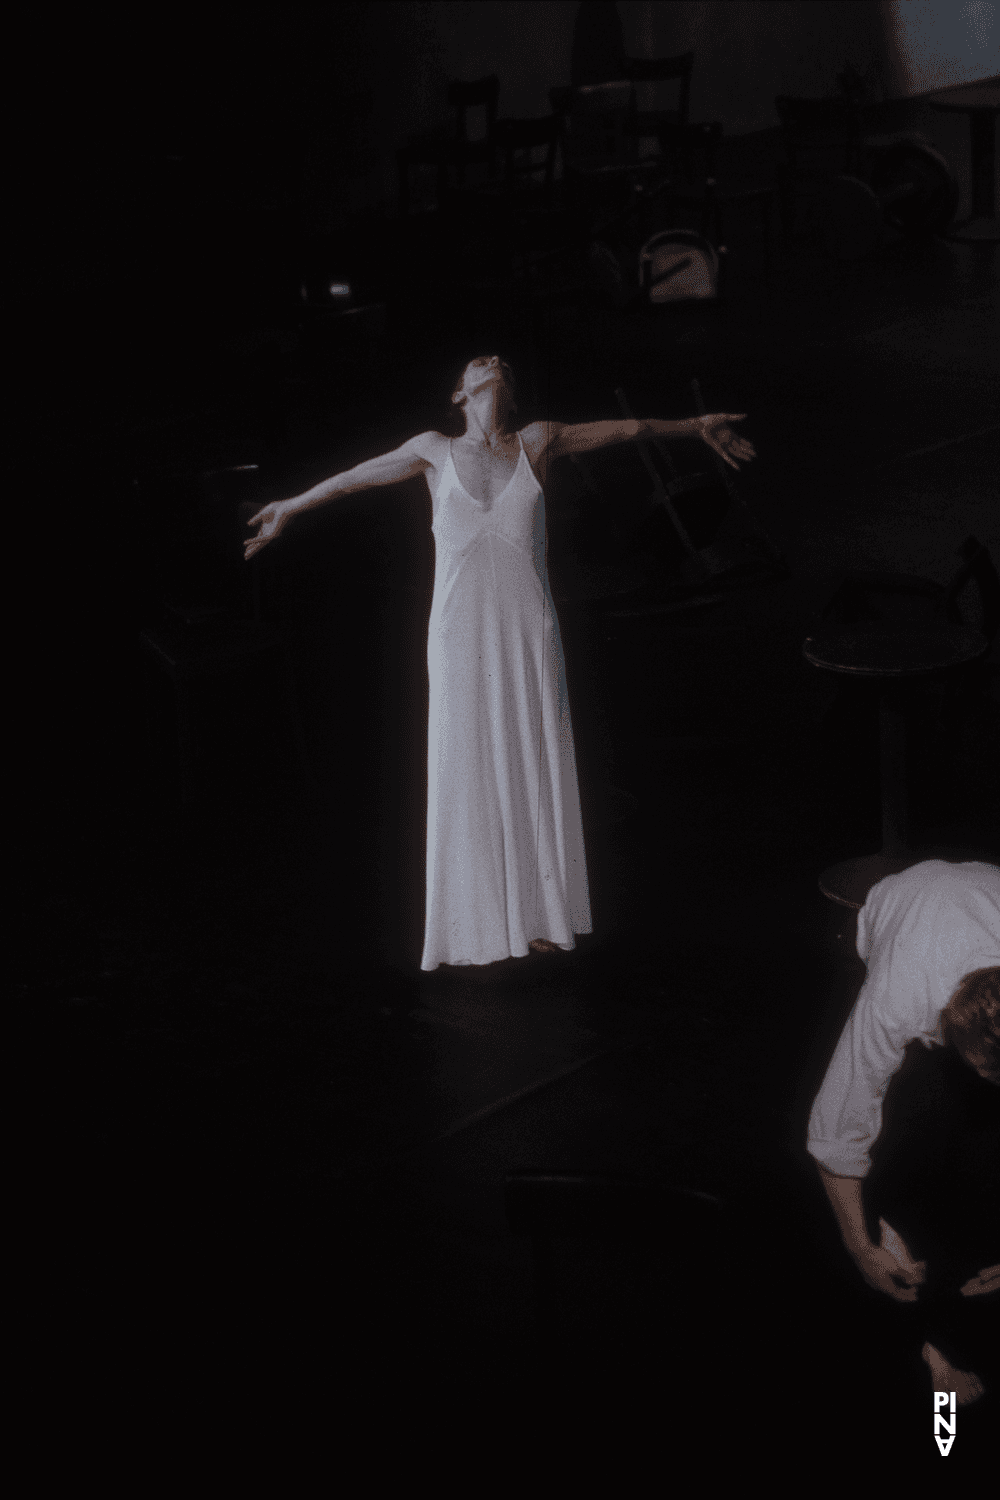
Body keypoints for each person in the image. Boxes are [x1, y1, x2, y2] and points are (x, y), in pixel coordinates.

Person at [244, 355, 756, 971]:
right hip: (458, 634)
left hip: (527, 629)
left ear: (504, 390)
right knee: (467, 766)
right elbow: (356, 475)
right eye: (477, 361)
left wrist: (695, 425)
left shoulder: (537, 441)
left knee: (534, 757)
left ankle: (541, 918)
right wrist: (291, 507)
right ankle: (477, 923)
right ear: (460, 391)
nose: (491, 360)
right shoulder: (433, 450)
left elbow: (632, 429)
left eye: (499, 361)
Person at [807, 859, 1000, 1406]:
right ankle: (930, 1364)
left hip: (983, 890)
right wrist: (858, 1244)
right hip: (896, 909)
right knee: (903, 1136)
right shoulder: (901, 995)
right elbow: (835, 1132)